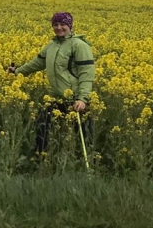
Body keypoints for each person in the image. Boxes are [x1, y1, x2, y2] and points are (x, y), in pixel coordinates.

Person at [8, 11, 95, 154]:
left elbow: (86, 73)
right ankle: (41, 158)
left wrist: (82, 98)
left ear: (70, 26)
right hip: (54, 97)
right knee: (42, 128)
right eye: (55, 24)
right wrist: (17, 71)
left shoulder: (79, 45)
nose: (59, 27)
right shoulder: (52, 45)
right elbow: (37, 63)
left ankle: (89, 160)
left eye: (62, 24)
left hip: (75, 98)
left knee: (84, 136)